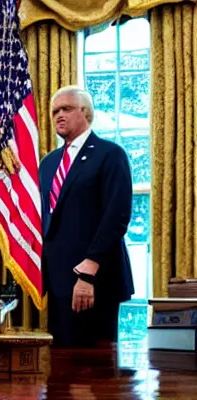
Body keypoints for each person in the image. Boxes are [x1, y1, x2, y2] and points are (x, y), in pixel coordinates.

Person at [39, 85, 134, 347]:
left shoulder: (109, 155)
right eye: (55, 110)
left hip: (95, 280)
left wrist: (88, 272)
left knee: (94, 376)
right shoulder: (48, 164)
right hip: (57, 281)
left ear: (86, 113)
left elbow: (117, 216)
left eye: (66, 109)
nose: (59, 114)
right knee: (60, 372)